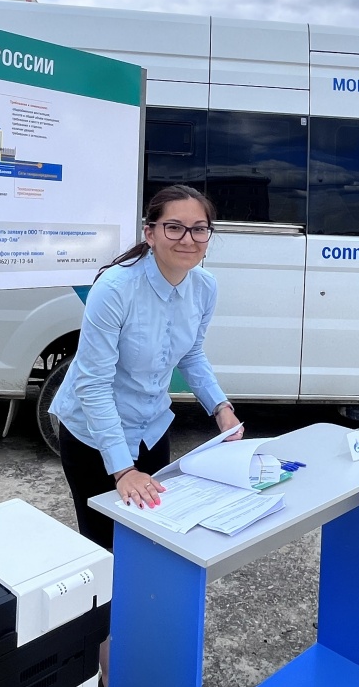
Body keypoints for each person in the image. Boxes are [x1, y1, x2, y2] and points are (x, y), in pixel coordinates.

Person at [50, 184, 242, 684]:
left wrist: (221, 409)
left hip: (151, 428)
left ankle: (145, 646)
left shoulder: (204, 287)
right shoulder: (116, 287)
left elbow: (192, 354)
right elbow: (92, 383)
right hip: (95, 437)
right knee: (108, 556)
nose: (187, 239)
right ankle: (107, 670)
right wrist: (122, 470)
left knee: (156, 544)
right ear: (150, 232)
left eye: (199, 229)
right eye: (174, 227)